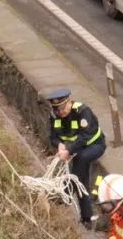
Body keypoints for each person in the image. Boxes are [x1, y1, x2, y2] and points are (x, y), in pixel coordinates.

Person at [44, 88, 106, 226]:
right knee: (82, 180)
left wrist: (69, 149)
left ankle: (67, 188)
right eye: (57, 110)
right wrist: (59, 144)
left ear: (69, 102)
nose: (61, 112)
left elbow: (85, 137)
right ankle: (86, 218)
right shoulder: (54, 116)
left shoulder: (82, 112)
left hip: (94, 145)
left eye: (62, 108)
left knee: (81, 159)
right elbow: (53, 137)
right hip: (75, 149)